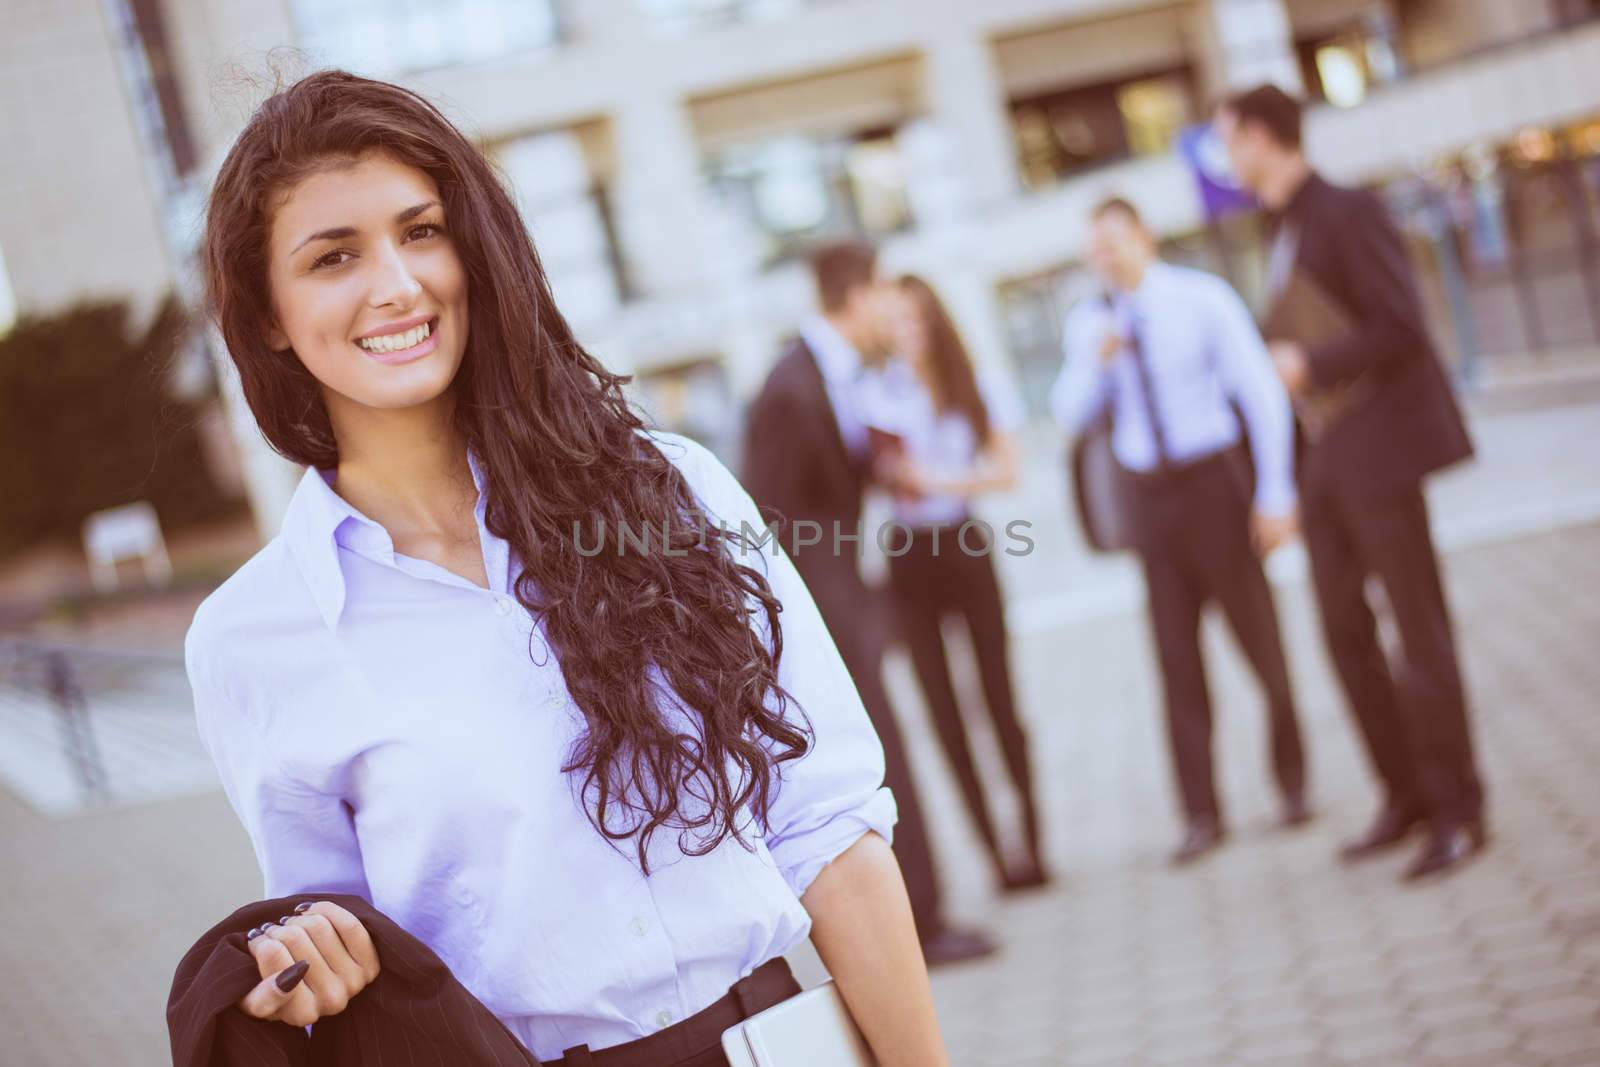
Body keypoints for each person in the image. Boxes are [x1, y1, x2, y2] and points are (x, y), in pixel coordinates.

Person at [185, 70, 952, 1067]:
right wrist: (298, 970)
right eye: (334, 256)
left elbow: (830, 826)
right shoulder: (255, 638)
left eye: (422, 231)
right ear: (271, 313)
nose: (397, 283)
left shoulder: (672, 490)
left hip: (786, 1037)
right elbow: (359, 982)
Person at [1215, 85, 1486, 881]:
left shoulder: (1346, 211)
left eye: (1232, 141)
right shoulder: (1278, 228)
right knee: (1341, 629)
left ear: (1266, 137)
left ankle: (1458, 807)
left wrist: (1309, 362)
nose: (1227, 158)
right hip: (1327, 463)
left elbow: (1400, 323)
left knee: (1417, 629)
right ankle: (1403, 792)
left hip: (1382, 452)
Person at [741, 242, 998, 966]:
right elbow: (766, 517)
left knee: (883, 755)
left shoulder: (834, 374)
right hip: (823, 606)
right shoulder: (790, 388)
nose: (894, 304)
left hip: (848, 592)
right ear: (855, 297)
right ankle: (921, 923)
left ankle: (922, 915)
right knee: (878, 761)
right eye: (885, 289)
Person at [1050, 197, 1308, 866]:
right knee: (1175, 659)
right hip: (1150, 503)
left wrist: (1275, 491)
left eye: (1113, 240)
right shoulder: (1090, 324)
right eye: (1094, 246)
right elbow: (1068, 412)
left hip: (1213, 488)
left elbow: (1260, 391)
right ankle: (1201, 812)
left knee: (1261, 641)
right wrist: (1095, 363)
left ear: (1145, 235)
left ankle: (1293, 782)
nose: (1103, 255)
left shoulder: (1202, 299)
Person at [865, 274, 1049, 892]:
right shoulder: (874, 393)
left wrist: (931, 480)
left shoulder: (977, 386)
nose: (905, 334)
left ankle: (1033, 838)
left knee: (998, 698)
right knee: (941, 712)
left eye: (914, 321)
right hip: (907, 555)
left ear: (935, 323)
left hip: (965, 545)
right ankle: (995, 854)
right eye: (894, 323)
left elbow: (1006, 472)